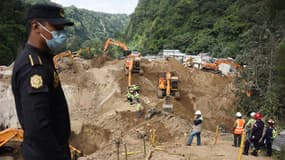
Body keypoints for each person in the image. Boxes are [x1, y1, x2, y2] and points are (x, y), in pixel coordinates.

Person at [11, 4, 74, 160]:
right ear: (36, 26)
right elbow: (38, 128)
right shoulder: (33, 67)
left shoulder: (43, 59)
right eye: (56, 27)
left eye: (62, 28)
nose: (62, 33)